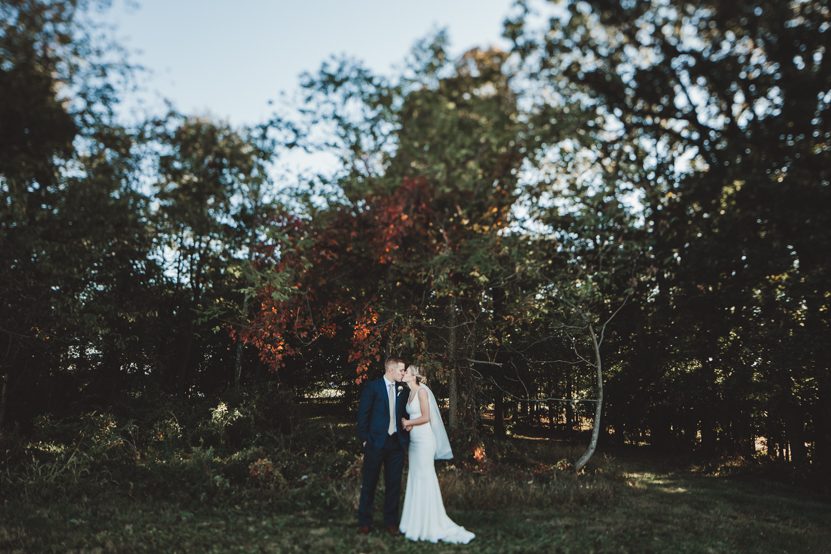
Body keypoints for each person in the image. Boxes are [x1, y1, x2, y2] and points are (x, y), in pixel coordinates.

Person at [398, 364, 475, 544]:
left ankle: (430, 523)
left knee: (425, 478)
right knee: (415, 478)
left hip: (425, 441)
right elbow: (415, 417)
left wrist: (408, 422)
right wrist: (408, 424)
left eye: (407, 371)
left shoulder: (422, 392)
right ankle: (414, 523)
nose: (404, 373)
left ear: (414, 376)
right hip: (414, 442)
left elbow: (426, 417)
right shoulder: (409, 393)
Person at [355, 356, 409, 535]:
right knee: (369, 483)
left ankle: (391, 522)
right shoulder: (373, 387)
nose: (403, 373)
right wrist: (365, 439)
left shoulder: (403, 390)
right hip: (375, 443)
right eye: (401, 370)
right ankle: (364, 522)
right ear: (390, 370)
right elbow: (363, 414)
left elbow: (405, 414)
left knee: (394, 485)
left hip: (396, 444)